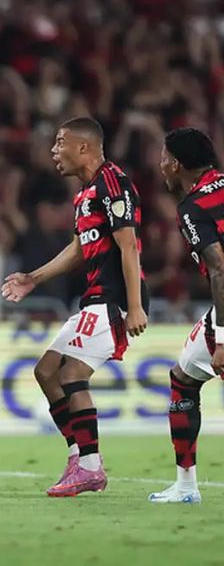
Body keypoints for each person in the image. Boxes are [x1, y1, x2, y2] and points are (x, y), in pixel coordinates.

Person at [2, 117, 148, 497]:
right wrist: (33, 278)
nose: (53, 151)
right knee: (46, 371)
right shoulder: (85, 193)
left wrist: (134, 306)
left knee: (71, 375)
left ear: (83, 147)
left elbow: (128, 245)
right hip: (94, 297)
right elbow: (81, 247)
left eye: (60, 142)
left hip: (113, 298)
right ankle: (78, 455)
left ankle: (90, 466)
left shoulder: (112, 182)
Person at [149, 127, 224, 504]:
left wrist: (223, 340)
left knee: (183, 383)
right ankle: (185, 487)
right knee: (183, 378)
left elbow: (220, 270)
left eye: (163, 158)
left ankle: (186, 486)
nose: (160, 166)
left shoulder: (192, 207)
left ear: (176, 165)